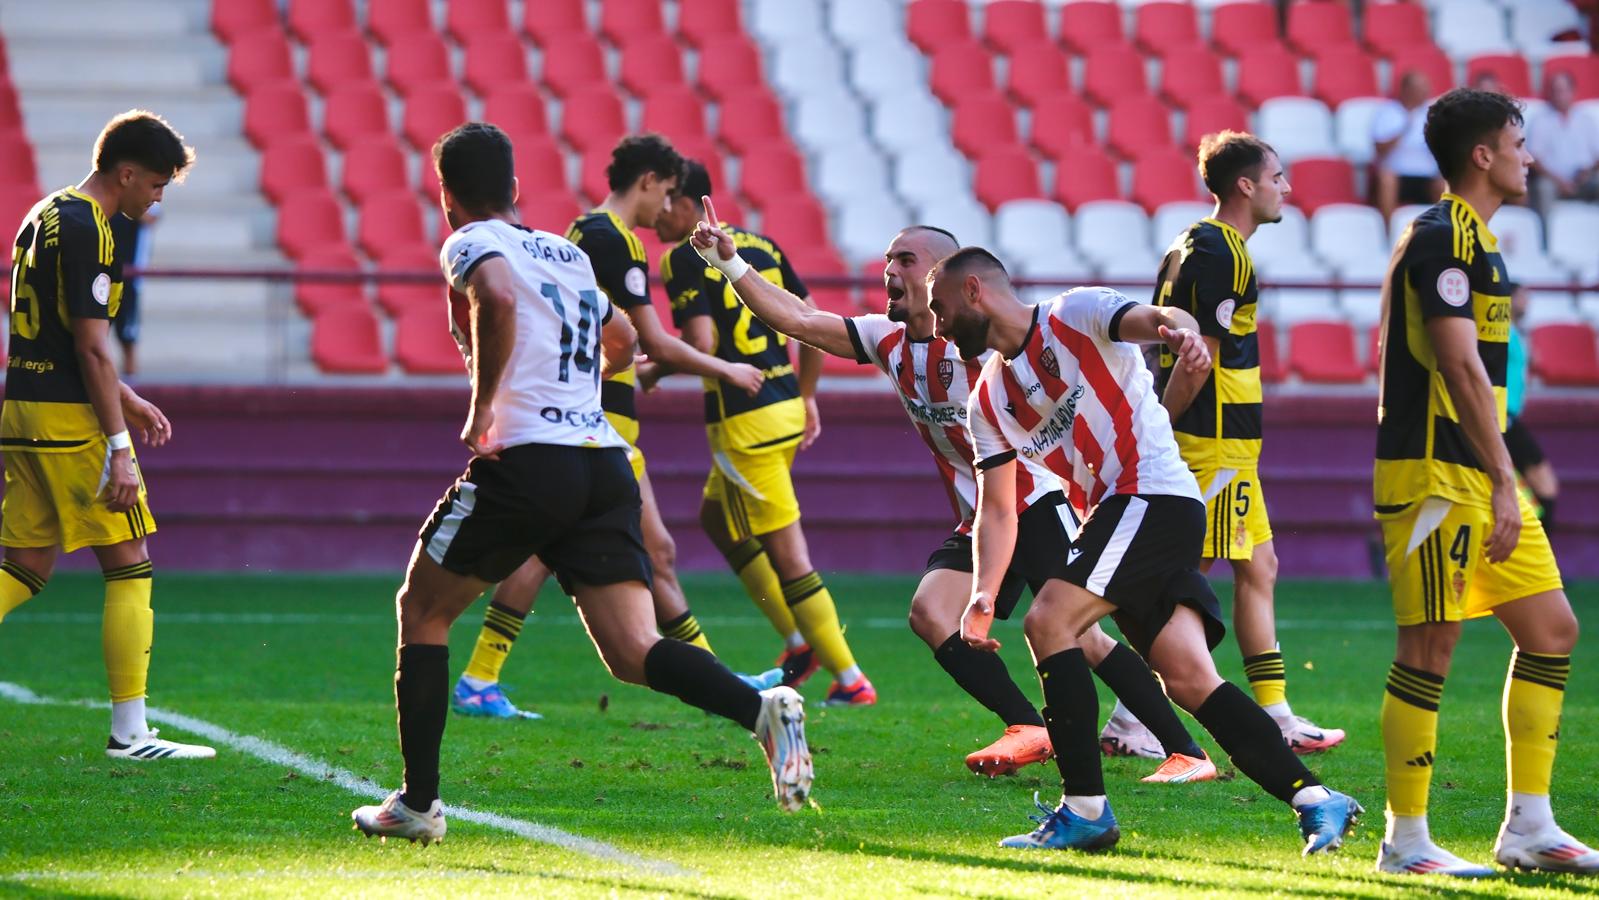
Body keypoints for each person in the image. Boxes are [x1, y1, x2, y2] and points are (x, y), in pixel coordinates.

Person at [351, 124, 811, 844]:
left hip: (530, 457)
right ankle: (762, 712)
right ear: (515, 189)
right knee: (632, 650)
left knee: (423, 610)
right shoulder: (564, 252)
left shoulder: (471, 242)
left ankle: (417, 803)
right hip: (601, 460)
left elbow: (498, 299)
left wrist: (484, 407)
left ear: (445, 195)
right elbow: (623, 339)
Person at [691, 207, 1215, 782]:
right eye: (888, 258)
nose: (889, 268)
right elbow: (798, 318)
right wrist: (728, 261)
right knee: (931, 612)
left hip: (1036, 498)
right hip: (982, 514)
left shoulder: (987, 345)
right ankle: (1029, 725)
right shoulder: (886, 339)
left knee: (1083, 638)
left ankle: (1183, 749)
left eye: (904, 259)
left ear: (943, 277)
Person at [926, 248, 1360, 853]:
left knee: (1051, 622)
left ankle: (1085, 811)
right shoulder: (988, 400)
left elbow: (1162, 317)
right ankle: (1318, 800)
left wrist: (1187, 337)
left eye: (940, 309)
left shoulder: (1074, 313)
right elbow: (997, 510)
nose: (937, 326)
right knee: (1187, 677)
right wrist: (980, 594)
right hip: (1118, 514)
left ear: (974, 290)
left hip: (1151, 494)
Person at [447, 135, 773, 719]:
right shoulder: (605, 239)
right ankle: (480, 676)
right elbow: (640, 337)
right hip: (594, 424)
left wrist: (634, 373)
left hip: (592, 415)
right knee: (555, 555)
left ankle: (717, 678)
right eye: (668, 192)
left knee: (646, 553)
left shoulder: (592, 238)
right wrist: (724, 368)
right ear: (648, 180)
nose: (668, 208)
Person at [1373, 88, 1596, 876]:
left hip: (1477, 473)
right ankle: (1404, 843)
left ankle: (1528, 828)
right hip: (1437, 475)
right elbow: (1459, 367)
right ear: (1482, 155)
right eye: (1518, 141)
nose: (1528, 155)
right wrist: (1507, 480)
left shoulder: (1476, 244)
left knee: (1551, 630)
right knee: (1428, 648)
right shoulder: (1438, 239)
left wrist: (1499, 480)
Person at [0, 110, 212, 760]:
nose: (155, 198)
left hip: (23, 414)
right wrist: (120, 447)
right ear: (126, 172)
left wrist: (126, 396)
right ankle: (131, 734)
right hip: (68, 425)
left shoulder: (44, 213)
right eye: (155, 185)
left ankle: (132, 731)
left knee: (25, 564)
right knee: (130, 561)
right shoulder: (94, 231)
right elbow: (92, 347)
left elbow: (59, 338)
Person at [1129, 130, 1344, 756]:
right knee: (1183, 579)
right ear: (1245, 185)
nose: (1287, 188)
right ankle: (1135, 715)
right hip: (1212, 442)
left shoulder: (1191, 242)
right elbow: (1199, 362)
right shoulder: (1223, 254)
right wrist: (1160, 431)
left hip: (1225, 445)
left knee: (1257, 566)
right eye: (1277, 177)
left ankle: (1272, 711)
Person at [653, 164, 875, 705]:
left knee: (788, 555)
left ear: (684, 202)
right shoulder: (762, 245)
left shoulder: (684, 255)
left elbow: (702, 338)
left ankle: (849, 679)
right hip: (785, 410)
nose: (657, 212)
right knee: (717, 518)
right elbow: (812, 318)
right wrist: (807, 393)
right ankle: (802, 644)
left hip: (744, 420)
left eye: (664, 199)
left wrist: (655, 366)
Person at [1504, 284, 1558, 531]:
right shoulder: (1500, 331)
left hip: (1509, 417)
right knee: (1544, 488)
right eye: (1522, 296)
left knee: (1533, 492)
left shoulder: (1514, 333)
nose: (1527, 301)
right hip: (1503, 418)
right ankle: (1537, 558)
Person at [1374, 70, 1445, 222]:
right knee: (1387, 180)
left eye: (1426, 87)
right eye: (1420, 88)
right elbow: (1379, 149)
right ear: (1406, 89)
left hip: (1426, 176)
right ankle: (1389, 231)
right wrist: (1405, 127)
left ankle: (1443, 232)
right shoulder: (1387, 112)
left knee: (1444, 183)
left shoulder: (1432, 113)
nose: (1425, 91)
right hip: (1397, 175)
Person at [1525, 72, 1599, 219]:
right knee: (1542, 188)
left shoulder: (1586, 120)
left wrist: (1587, 172)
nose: (1560, 95)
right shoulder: (1541, 120)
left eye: (1563, 90)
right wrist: (1560, 181)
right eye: (1556, 91)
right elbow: (1535, 160)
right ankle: (1545, 239)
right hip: (1553, 182)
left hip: (1584, 180)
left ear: (1573, 92)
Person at [106, 201, 157, 376]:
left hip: (129, 277)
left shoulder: (140, 199)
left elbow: (151, 217)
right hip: (104, 273)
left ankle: (130, 379)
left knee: (127, 335)